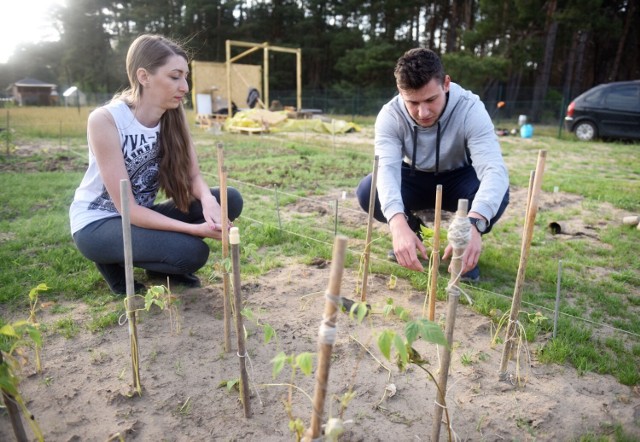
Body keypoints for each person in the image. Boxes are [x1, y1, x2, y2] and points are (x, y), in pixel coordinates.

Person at [69, 34, 243, 295]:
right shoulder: (105, 120)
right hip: (98, 223)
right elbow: (127, 209)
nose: (184, 86)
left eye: (185, 76)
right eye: (175, 77)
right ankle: (111, 259)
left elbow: (192, 174)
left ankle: (158, 262)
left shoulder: (173, 114)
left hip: (140, 215)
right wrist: (195, 229)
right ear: (144, 76)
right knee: (193, 252)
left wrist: (208, 202)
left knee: (229, 199)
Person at [356, 48, 509, 281]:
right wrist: (397, 225)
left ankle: (461, 248)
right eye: (413, 102)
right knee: (369, 189)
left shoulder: (471, 108)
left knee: (499, 192)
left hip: (459, 178)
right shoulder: (390, 116)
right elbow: (386, 170)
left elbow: (493, 170)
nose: (423, 112)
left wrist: (475, 223)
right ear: (400, 91)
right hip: (415, 177)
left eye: (431, 99)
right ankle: (414, 236)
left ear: (446, 84)